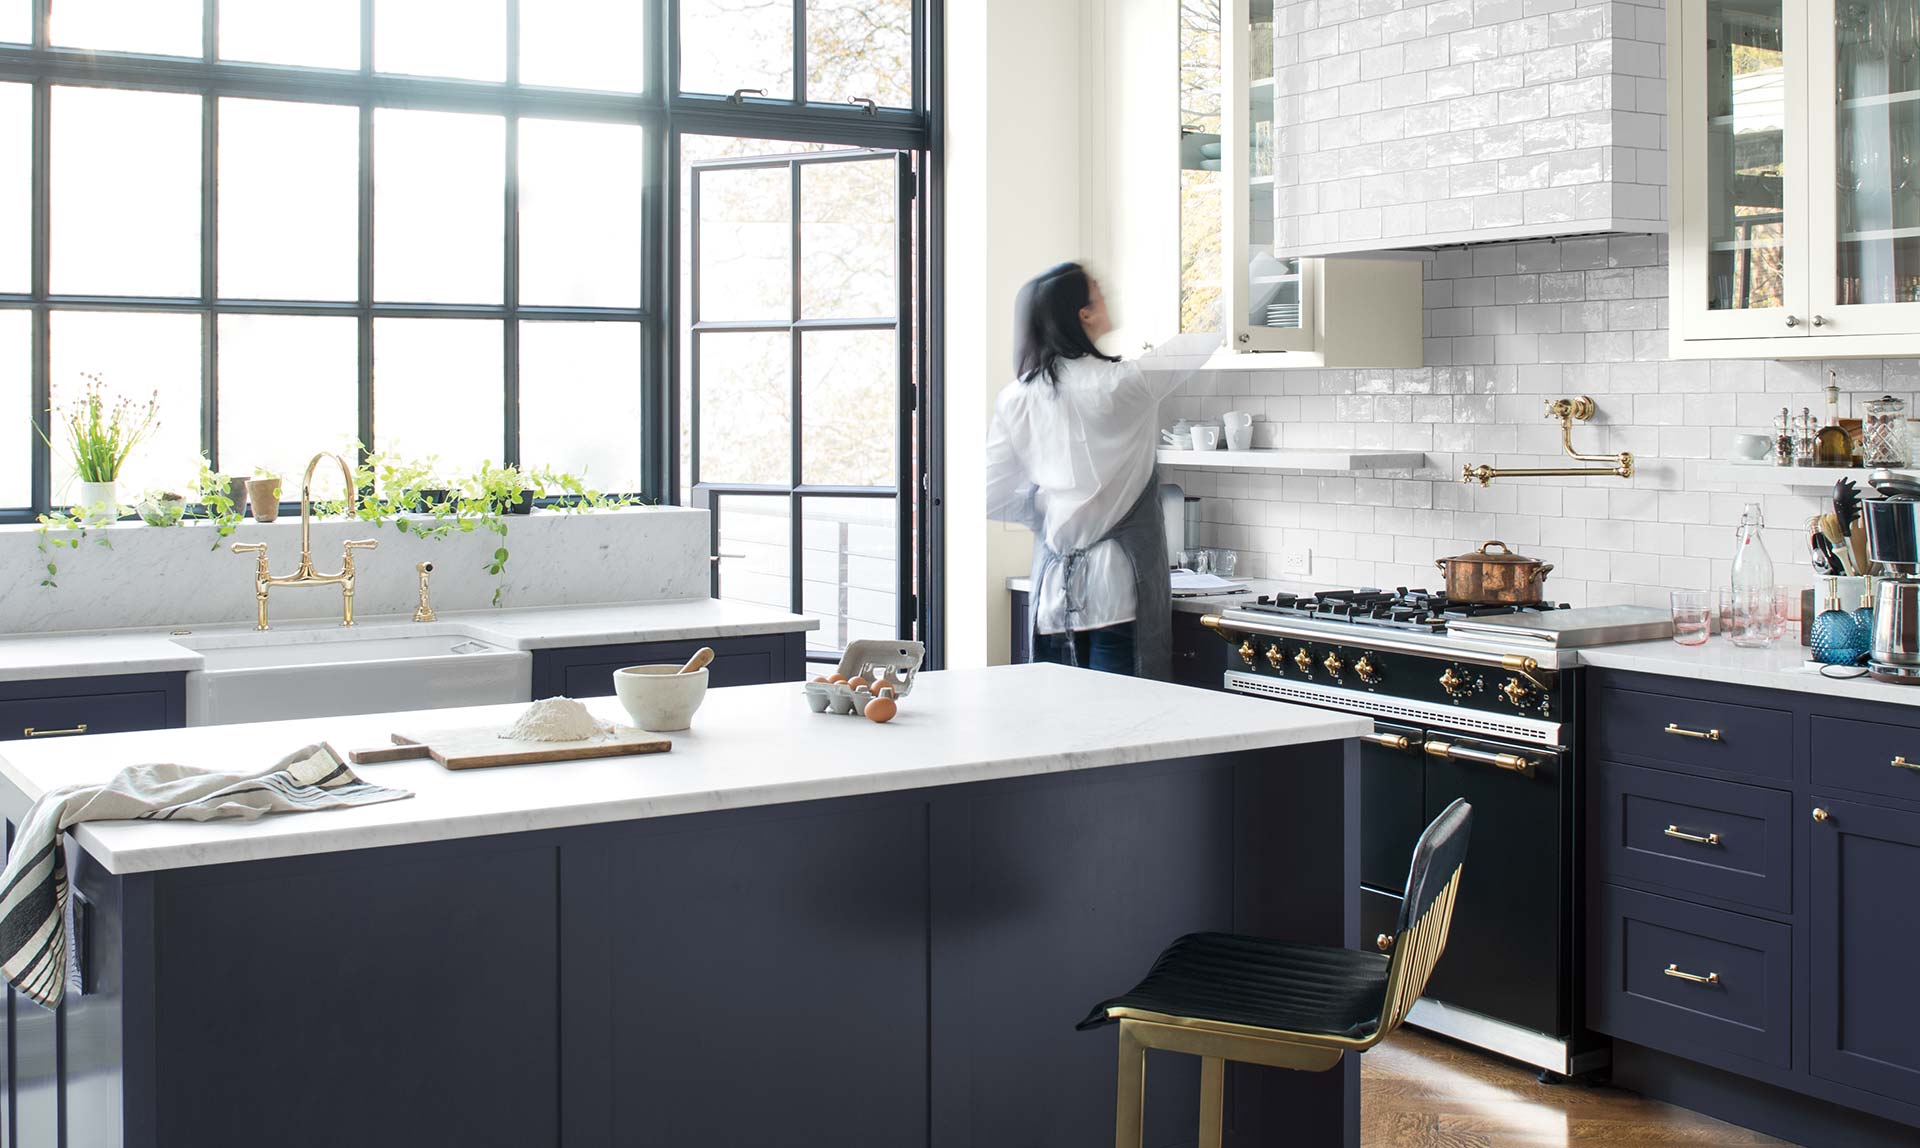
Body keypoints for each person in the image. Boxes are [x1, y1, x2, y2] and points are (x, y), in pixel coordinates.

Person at [984, 262, 1201, 680]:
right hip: (1120, 592)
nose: (1106, 294)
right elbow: (1200, 342)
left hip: (1052, 596)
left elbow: (990, 495)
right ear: (1082, 313)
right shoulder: (1125, 384)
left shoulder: (1016, 398)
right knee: (1123, 726)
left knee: (1059, 725)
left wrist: (1051, 508)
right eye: (1097, 289)